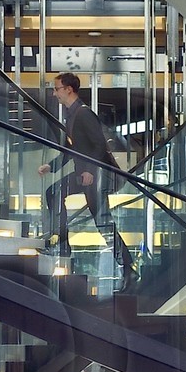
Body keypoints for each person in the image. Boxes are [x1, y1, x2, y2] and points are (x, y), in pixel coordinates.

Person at [45, 70, 132, 278]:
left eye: (56, 89)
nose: (54, 94)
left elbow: (99, 145)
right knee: (53, 193)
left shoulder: (83, 113)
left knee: (103, 223)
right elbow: (71, 148)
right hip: (85, 175)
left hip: (97, 177)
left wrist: (90, 171)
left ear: (68, 89)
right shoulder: (72, 115)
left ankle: (128, 268)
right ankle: (63, 244)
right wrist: (52, 166)